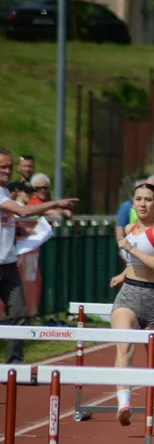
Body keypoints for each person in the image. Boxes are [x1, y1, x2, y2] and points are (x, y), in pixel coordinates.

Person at [0, 147, 76, 365]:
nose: (8, 171)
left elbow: (9, 220)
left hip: (9, 264)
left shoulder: (5, 192)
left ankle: (15, 364)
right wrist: (56, 203)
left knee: (18, 314)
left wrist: (18, 231)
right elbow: (23, 211)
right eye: (2, 167)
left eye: (10, 167)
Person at [109, 182, 154, 426]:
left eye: (148, 199)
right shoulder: (129, 227)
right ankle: (124, 403)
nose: (143, 204)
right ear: (132, 203)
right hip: (129, 295)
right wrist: (124, 274)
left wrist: (131, 251)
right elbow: (135, 263)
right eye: (139, 199)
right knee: (124, 348)